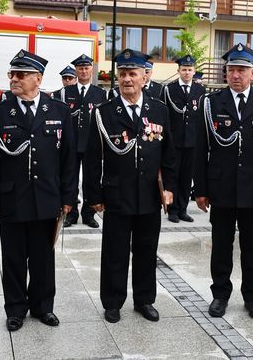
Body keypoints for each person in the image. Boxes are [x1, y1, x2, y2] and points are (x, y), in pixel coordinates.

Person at [0, 49, 77, 332]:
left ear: (38, 78)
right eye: (12, 74)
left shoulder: (58, 111)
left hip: (47, 197)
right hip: (12, 198)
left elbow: (68, 159)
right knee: (13, 258)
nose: (14, 79)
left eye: (21, 74)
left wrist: (69, 196)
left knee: (43, 257)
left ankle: (43, 306)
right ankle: (15, 309)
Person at [84, 48, 176, 324]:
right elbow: (91, 158)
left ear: (144, 77)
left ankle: (144, 299)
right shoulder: (104, 112)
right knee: (115, 251)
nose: (126, 79)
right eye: (122, 74)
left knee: (147, 250)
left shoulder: (159, 109)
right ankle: (112, 302)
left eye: (132, 74)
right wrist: (93, 195)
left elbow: (170, 153)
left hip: (149, 194)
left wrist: (169, 187)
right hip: (117, 193)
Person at [193, 43, 253, 320]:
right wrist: (201, 189)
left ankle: (252, 297)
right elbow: (200, 148)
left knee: (252, 247)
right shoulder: (211, 103)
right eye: (232, 69)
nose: (236, 75)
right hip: (221, 188)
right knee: (220, 245)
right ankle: (220, 295)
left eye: (242, 70)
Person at [61, 54, 106, 228]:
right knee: (70, 179)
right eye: (80, 68)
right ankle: (70, 214)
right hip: (71, 143)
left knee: (91, 179)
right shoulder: (66, 92)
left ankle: (89, 214)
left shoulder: (101, 93)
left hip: (91, 144)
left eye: (86, 68)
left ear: (91, 69)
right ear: (76, 71)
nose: (84, 71)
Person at [161, 54, 206, 223]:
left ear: (194, 72)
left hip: (192, 141)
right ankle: (172, 210)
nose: (187, 73)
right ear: (178, 71)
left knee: (187, 177)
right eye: (184, 70)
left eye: (190, 70)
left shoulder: (200, 90)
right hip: (174, 140)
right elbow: (164, 115)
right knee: (172, 176)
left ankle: (183, 209)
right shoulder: (169, 90)